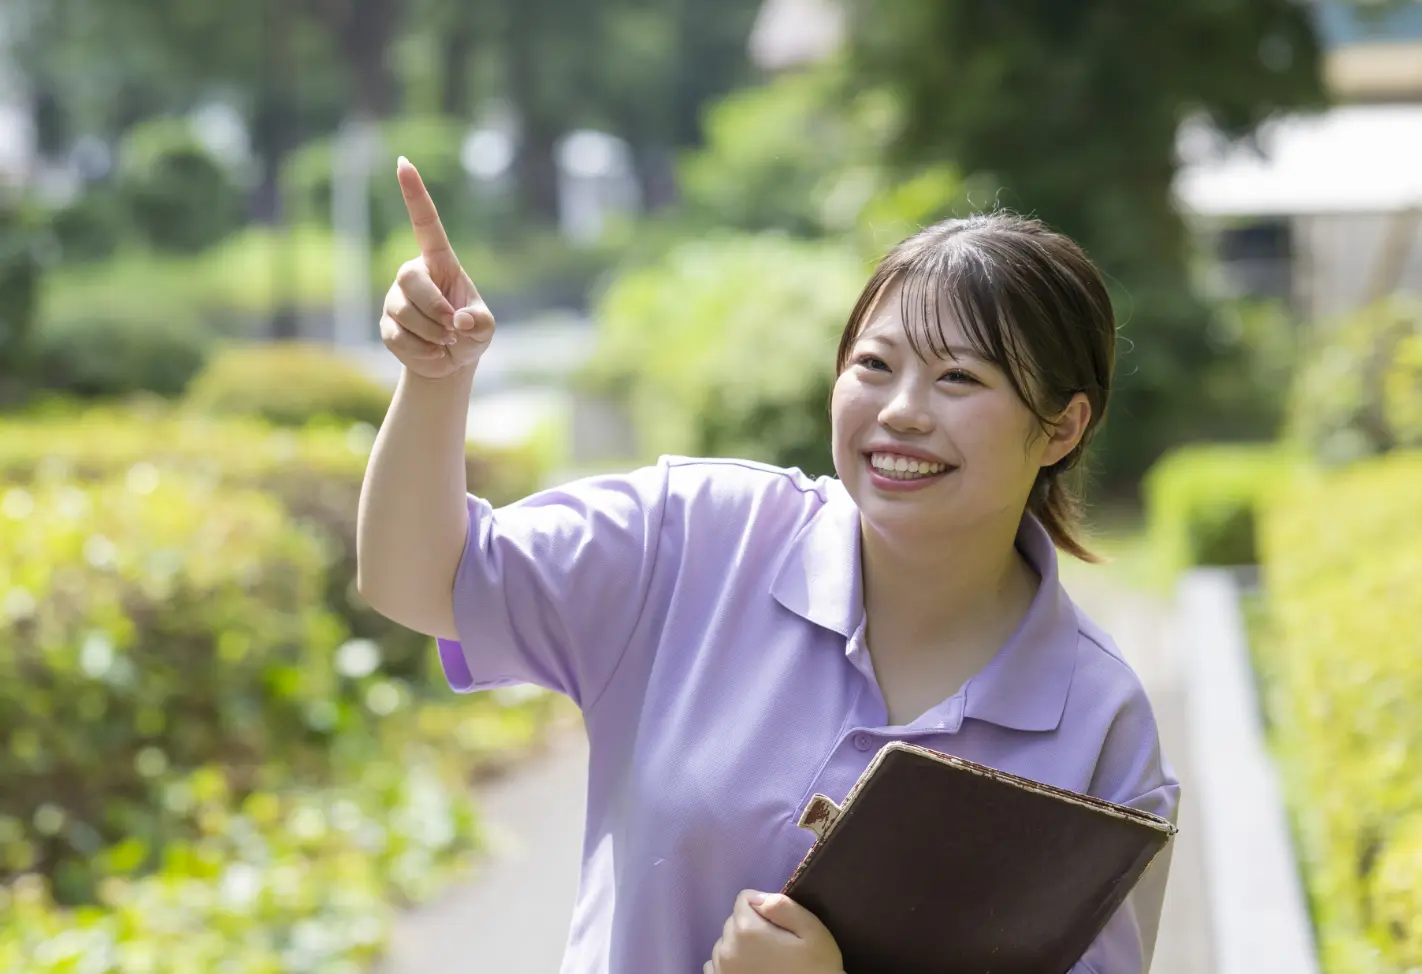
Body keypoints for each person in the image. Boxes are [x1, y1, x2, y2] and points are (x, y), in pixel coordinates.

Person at [357, 156, 1180, 974]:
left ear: (1064, 427)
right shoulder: (691, 536)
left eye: (959, 377)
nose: (900, 412)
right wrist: (435, 380)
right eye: (874, 365)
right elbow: (419, 580)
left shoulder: (1101, 726)